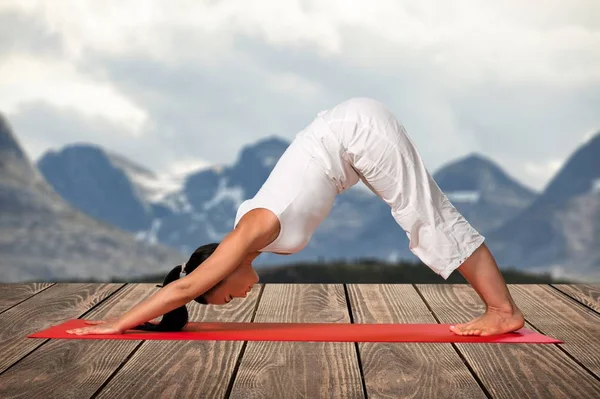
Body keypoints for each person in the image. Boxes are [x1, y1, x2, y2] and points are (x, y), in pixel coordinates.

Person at [67, 98, 524, 337]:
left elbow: (184, 288)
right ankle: (501, 308)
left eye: (225, 300)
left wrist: (117, 323)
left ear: (218, 274)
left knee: (428, 216)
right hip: (349, 138)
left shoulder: (252, 230)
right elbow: (190, 287)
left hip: (353, 134)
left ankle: (503, 311)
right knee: (426, 214)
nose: (236, 300)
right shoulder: (253, 235)